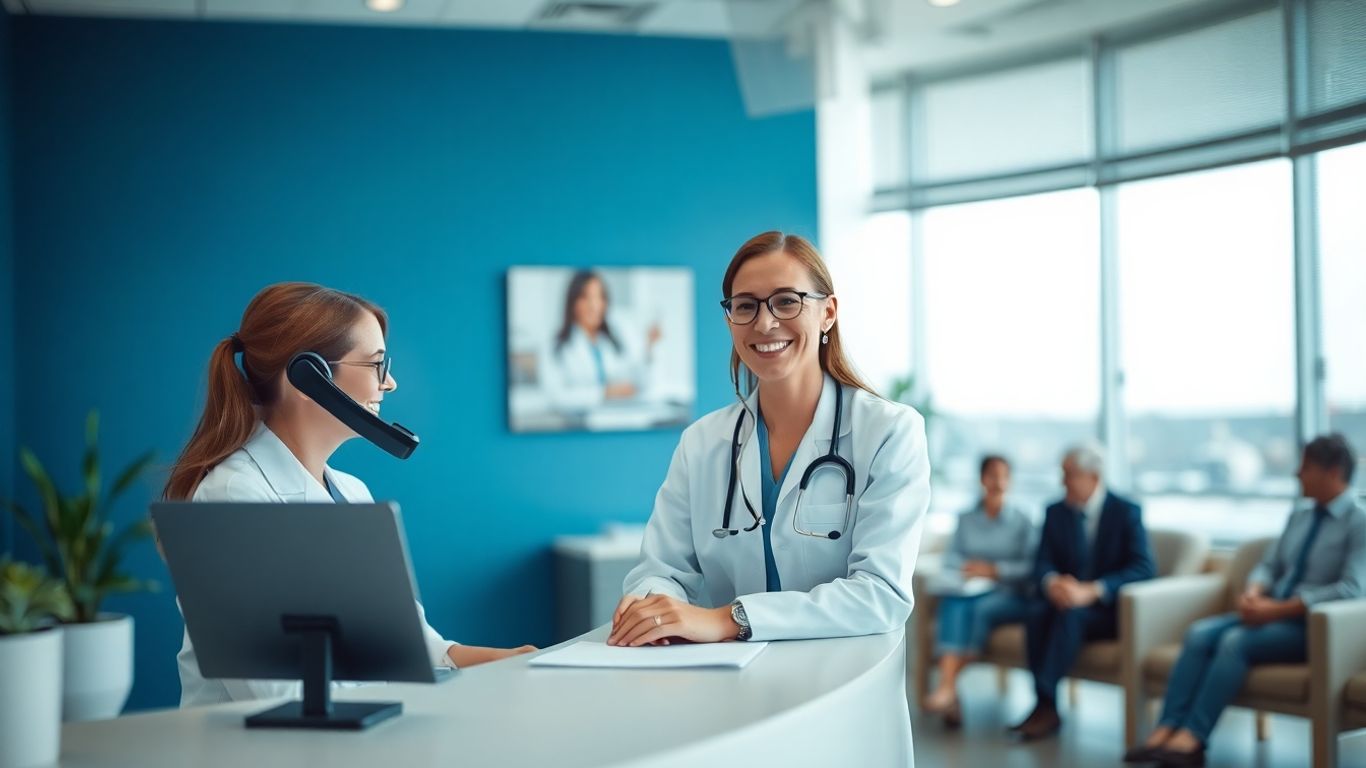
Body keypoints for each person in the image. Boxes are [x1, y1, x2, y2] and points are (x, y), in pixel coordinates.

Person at [164, 282, 534, 707]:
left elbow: (406, 642)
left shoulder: (351, 491)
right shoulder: (233, 497)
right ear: (309, 377)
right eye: (376, 364)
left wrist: (507, 661)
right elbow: (279, 692)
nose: (389, 383)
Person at [610, 231, 930, 651]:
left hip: (843, 685)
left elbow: (880, 594)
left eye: (786, 301)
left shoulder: (889, 431)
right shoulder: (702, 442)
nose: (764, 323)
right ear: (730, 320)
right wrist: (656, 609)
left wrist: (729, 618)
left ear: (828, 313)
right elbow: (661, 569)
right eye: (745, 306)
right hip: (731, 686)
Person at [1124, 434, 1365, 767]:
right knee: (1198, 633)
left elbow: (1352, 588)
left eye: (1306, 467)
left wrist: (1277, 610)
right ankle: (1165, 729)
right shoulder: (1300, 516)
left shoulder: (1359, 522)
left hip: (1311, 626)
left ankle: (1192, 739)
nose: (1297, 473)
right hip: (1269, 612)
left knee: (1234, 642)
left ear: (1334, 471)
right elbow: (1269, 564)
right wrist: (1254, 592)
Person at [1012, 444, 1155, 741]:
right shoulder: (1055, 511)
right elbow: (1042, 562)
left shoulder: (1126, 511)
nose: (1063, 482)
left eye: (1069, 474)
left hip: (1107, 609)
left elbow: (1143, 568)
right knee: (1037, 612)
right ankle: (1044, 705)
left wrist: (1092, 591)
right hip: (1063, 599)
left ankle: (1045, 704)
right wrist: (1053, 583)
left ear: (1093, 476)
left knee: (1070, 616)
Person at [922, 455, 1037, 727]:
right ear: (982, 479)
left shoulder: (1022, 520)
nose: (997, 482)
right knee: (952, 601)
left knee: (978, 608)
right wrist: (965, 569)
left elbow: (1032, 567)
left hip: (1009, 593)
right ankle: (949, 692)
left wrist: (994, 570)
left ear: (1010, 481)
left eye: (1003, 476)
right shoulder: (966, 518)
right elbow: (951, 557)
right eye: (991, 475)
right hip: (970, 588)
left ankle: (947, 687)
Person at [538, 270, 660, 413]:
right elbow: (555, 397)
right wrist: (605, 393)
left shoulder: (616, 339)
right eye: (585, 298)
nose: (594, 305)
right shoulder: (556, 345)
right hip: (577, 428)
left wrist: (650, 346)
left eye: (599, 297)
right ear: (572, 303)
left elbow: (642, 383)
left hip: (620, 420)